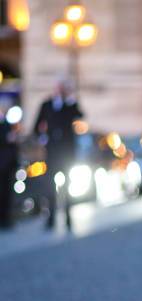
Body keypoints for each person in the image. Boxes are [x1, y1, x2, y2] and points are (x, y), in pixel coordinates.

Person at [33, 78, 83, 230]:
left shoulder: (70, 104)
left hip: (67, 152)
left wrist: (70, 100)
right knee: (50, 187)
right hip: (52, 151)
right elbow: (36, 125)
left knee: (67, 186)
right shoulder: (47, 104)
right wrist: (43, 138)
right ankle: (51, 219)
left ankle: (68, 218)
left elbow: (80, 115)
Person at [0, 99, 19, 230]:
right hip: (3, 164)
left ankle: (6, 219)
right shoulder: (4, 125)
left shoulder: (7, 123)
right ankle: (4, 219)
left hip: (8, 164)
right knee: (4, 193)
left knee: (7, 193)